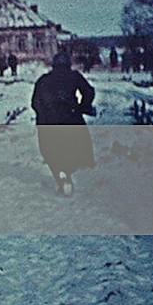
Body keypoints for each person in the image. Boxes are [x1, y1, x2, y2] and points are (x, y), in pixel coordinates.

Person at [31, 50, 96, 196]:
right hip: (70, 119)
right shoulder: (73, 76)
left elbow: (35, 102)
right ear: (68, 64)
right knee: (74, 149)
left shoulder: (43, 79)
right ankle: (68, 171)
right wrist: (82, 107)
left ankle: (61, 175)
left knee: (51, 152)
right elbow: (89, 92)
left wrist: (43, 117)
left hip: (49, 123)